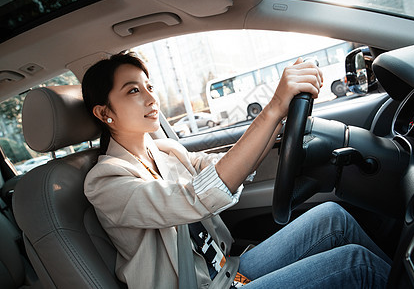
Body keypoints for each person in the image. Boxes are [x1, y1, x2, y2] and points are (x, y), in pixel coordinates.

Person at [82, 51, 391, 289]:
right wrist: (271, 107)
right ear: (104, 112)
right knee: (357, 264)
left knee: (332, 218)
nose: (152, 98)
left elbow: (230, 168)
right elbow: (194, 196)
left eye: (149, 86)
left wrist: (281, 114)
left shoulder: (166, 151)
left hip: (230, 269)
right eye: (133, 91)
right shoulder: (106, 182)